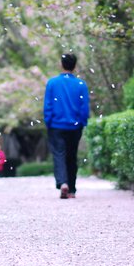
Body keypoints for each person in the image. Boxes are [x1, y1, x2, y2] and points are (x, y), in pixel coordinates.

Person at [44, 53, 90, 199]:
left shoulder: (52, 83)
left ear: (61, 64)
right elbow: (84, 107)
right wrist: (82, 122)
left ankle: (63, 183)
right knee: (72, 156)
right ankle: (72, 189)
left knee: (59, 155)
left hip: (56, 125)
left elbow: (48, 105)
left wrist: (49, 121)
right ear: (75, 66)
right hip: (75, 127)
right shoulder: (81, 85)